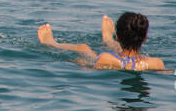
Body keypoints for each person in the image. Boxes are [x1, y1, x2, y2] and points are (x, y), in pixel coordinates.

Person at [37, 14, 165, 71]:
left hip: (112, 62)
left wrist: (78, 62)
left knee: (84, 48)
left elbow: (88, 68)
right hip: (138, 63)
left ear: (118, 36)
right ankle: (108, 39)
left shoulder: (105, 58)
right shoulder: (156, 63)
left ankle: (51, 42)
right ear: (144, 38)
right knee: (119, 50)